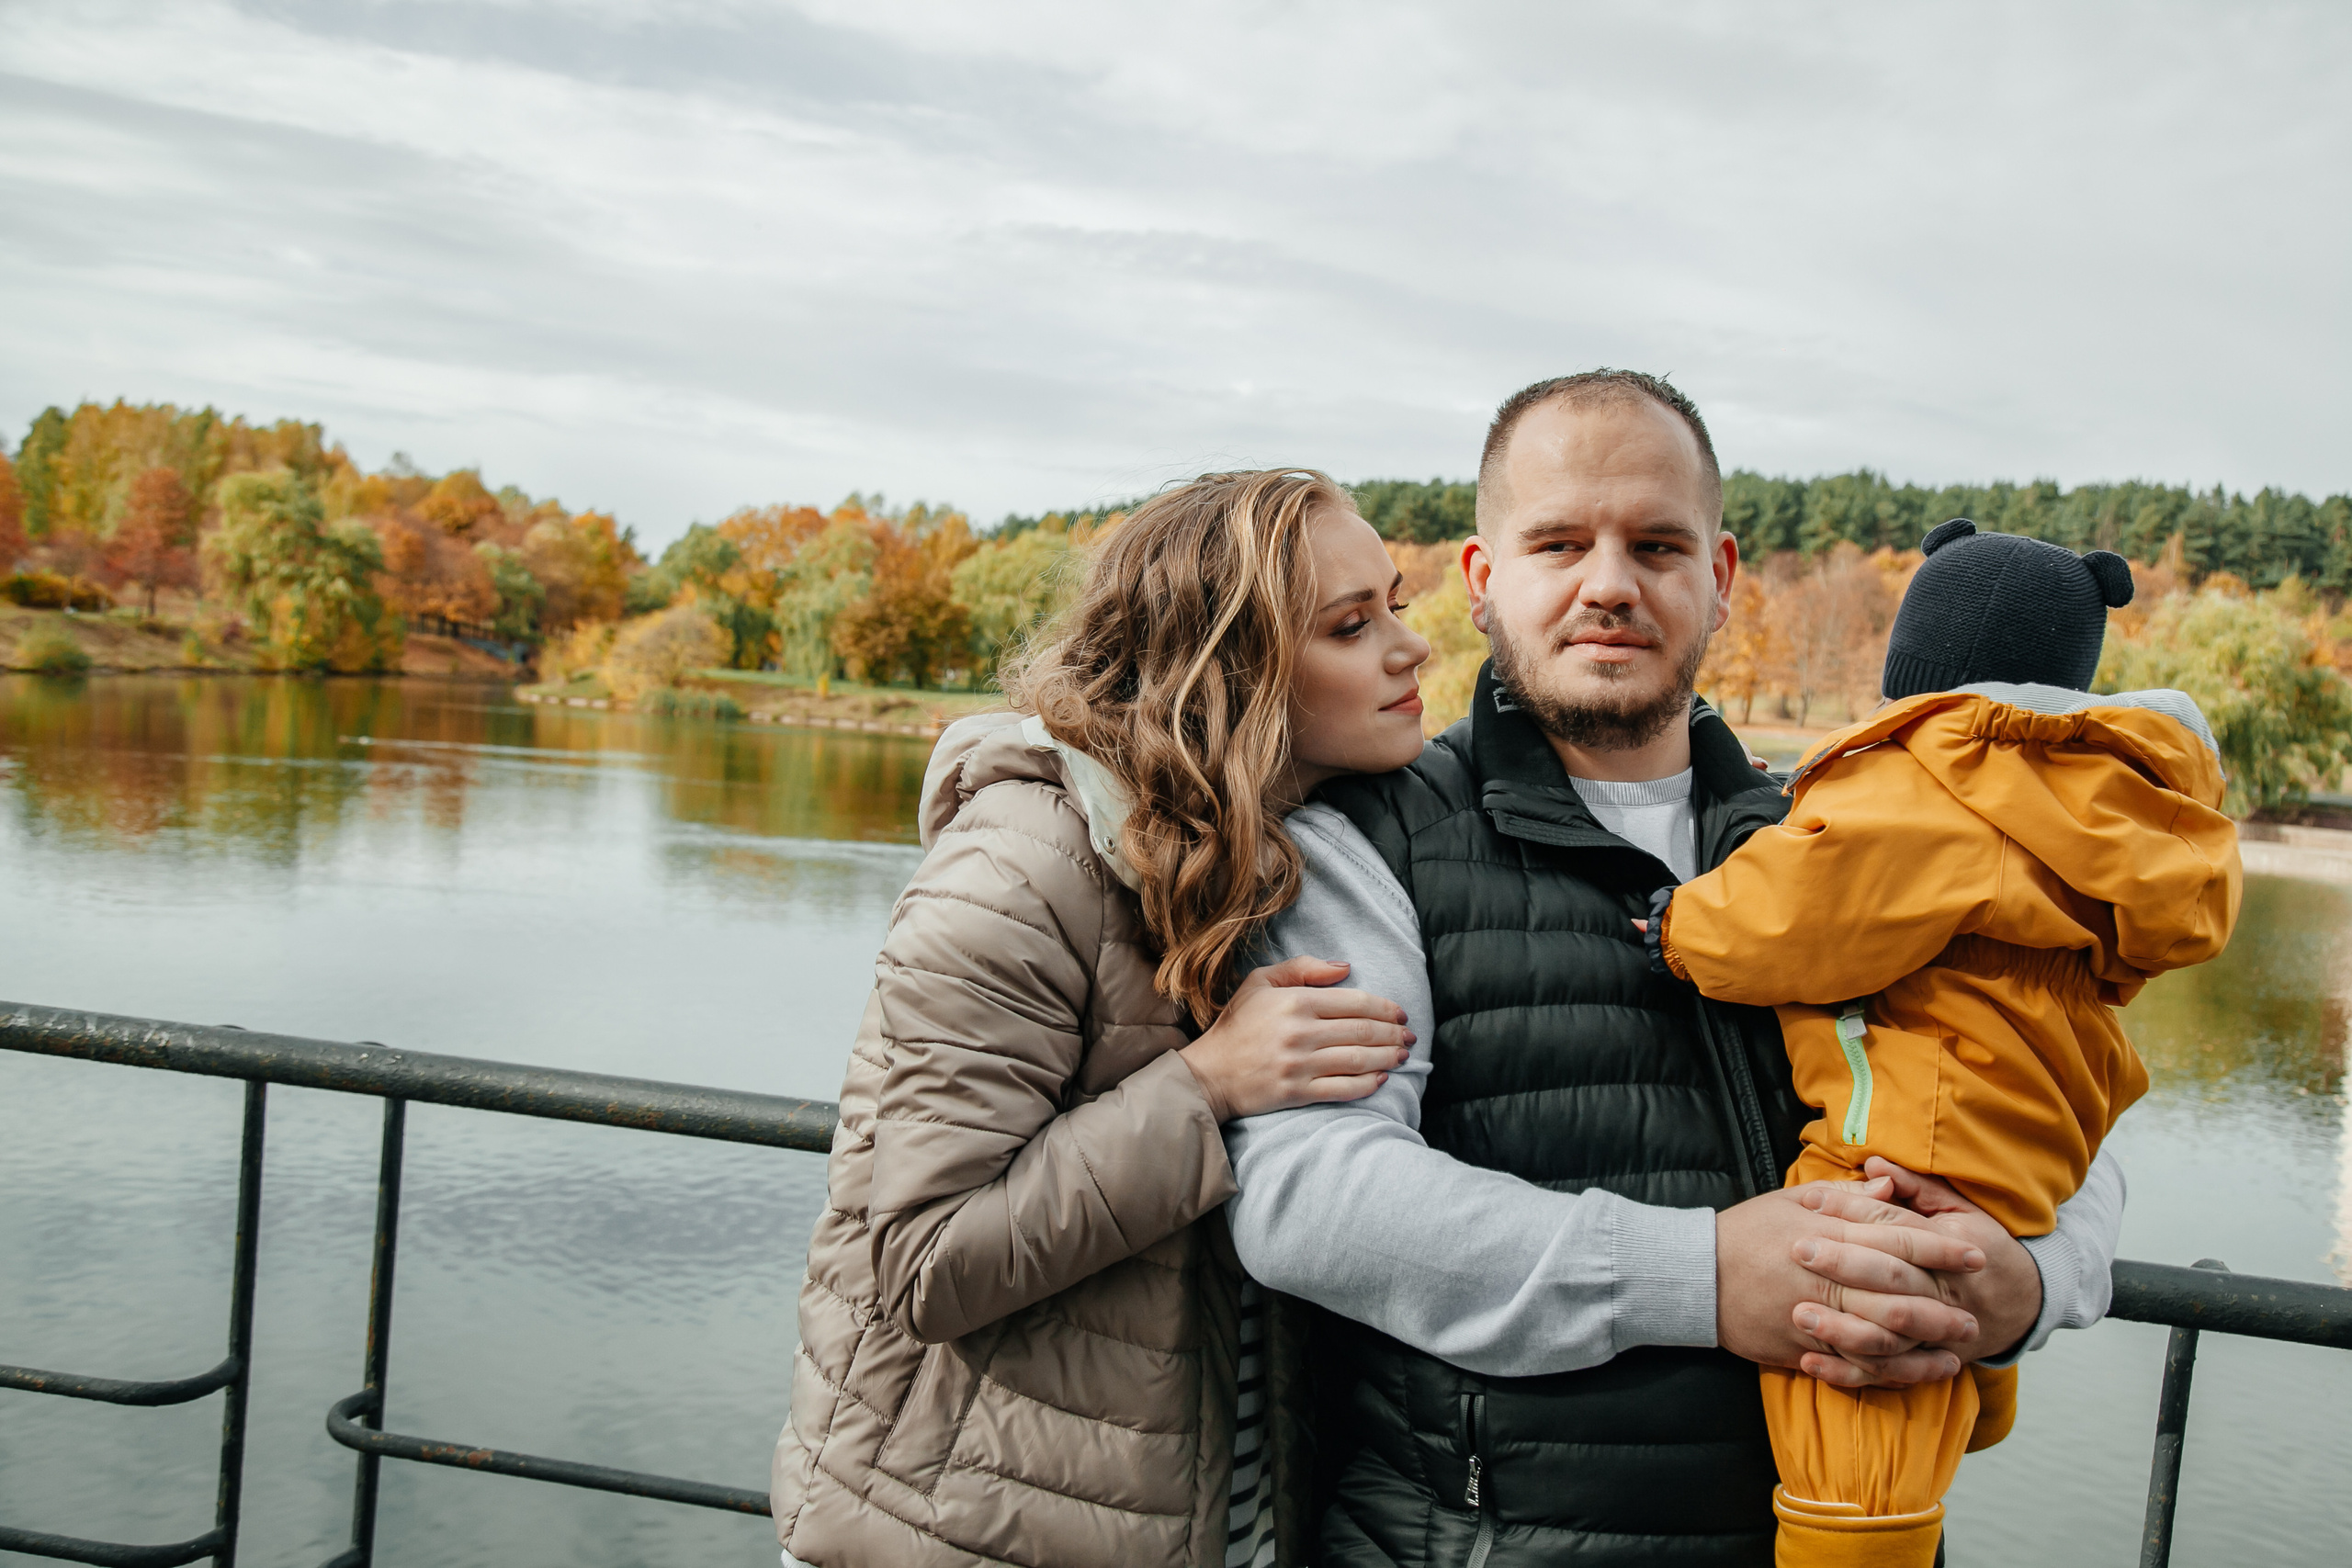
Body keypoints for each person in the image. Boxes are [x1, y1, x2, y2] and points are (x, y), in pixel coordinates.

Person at [1226, 372, 2132, 1566]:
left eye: (1657, 543)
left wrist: (2026, 1282)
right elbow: (1310, 1196)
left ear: (1721, 575)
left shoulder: (1865, 837)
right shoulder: (1366, 838)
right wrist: (1700, 1272)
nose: (1610, 581)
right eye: (1560, 541)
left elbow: (2068, 1095)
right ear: (1483, 575)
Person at [772, 468, 1436, 1568]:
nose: (1408, 648)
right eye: (1350, 625)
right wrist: (1207, 1086)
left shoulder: (1274, 850)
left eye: (1396, 605)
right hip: (962, 1535)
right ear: (1229, 671)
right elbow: (930, 1264)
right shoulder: (1017, 874)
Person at [1645, 520, 2240, 1564]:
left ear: (1915, 672)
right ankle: (1978, 1390)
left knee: (1855, 1360)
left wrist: (1682, 929)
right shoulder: (2103, 798)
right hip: (2035, 1127)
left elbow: (1798, 916)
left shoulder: (1934, 777)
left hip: (1913, 1121)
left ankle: (1863, 1533)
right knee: (1965, 1283)